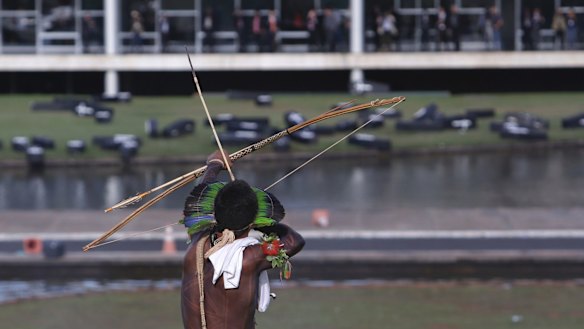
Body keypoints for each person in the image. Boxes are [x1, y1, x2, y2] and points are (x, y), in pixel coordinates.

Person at [181, 150, 305, 329]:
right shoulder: (250, 258)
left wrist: (214, 164)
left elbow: (203, 196)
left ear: (214, 213)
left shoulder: (197, 242)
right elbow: (295, 241)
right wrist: (260, 223)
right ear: (252, 221)